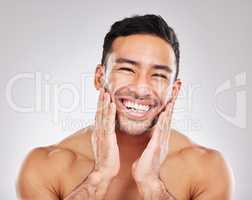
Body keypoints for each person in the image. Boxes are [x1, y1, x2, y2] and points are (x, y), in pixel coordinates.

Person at [16, 14, 233, 200]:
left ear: (174, 91)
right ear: (100, 77)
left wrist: (152, 186)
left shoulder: (207, 170)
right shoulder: (44, 167)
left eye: (158, 75)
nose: (140, 89)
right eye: (127, 69)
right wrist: (99, 178)